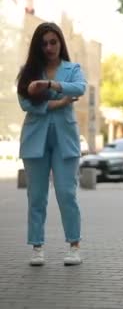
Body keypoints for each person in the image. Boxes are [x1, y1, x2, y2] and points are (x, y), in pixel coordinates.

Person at [16, 22, 87, 266]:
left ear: (60, 43)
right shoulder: (28, 71)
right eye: (44, 43)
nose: (49, 47)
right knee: (36, 196)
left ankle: (74, 245)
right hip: (35, 141)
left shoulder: (73, 68)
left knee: (67, 193)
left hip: (65, 142)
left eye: (53, 42)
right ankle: (37, 247)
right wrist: (60, 102)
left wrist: (50, 86)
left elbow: (80, 88)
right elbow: (26, 104)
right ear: (38, 46)